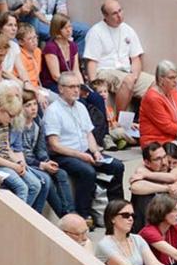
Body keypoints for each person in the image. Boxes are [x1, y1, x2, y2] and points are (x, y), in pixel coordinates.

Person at [44, 70, 124, 225]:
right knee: (87, 171)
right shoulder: (53, 111)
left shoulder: (81, 107)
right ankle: (83, 215)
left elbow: (89, 134)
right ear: (61, 89)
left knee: (117, 166)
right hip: (64, 154)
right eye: (71, 86)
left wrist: (95, 151)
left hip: (85, 150)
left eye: (78, 86)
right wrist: (81, 156)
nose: (76, 90)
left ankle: (117, 210)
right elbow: (54, 145)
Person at [0, 91, 47, 212]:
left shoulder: (4, 124)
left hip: (7, 162)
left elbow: (7, 148)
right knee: (22, 188)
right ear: (1, 110)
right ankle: (16, 217)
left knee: (36, 185)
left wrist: (19, 162)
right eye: (10, 116)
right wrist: (14, 166)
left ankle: (24, 214)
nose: (11, 120)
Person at [84, 0, 153, 111]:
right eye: (114, 13)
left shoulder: (128, 30)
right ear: (106, 16)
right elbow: (91, 61)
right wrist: (93, 84)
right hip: (105, 71)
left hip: (127, 72)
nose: (119, 16)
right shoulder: (95, 32)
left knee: (156, 83)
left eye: (120, 11)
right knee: (128, 80)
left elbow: (136, 58)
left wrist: (135, 75)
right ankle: (119, 120)